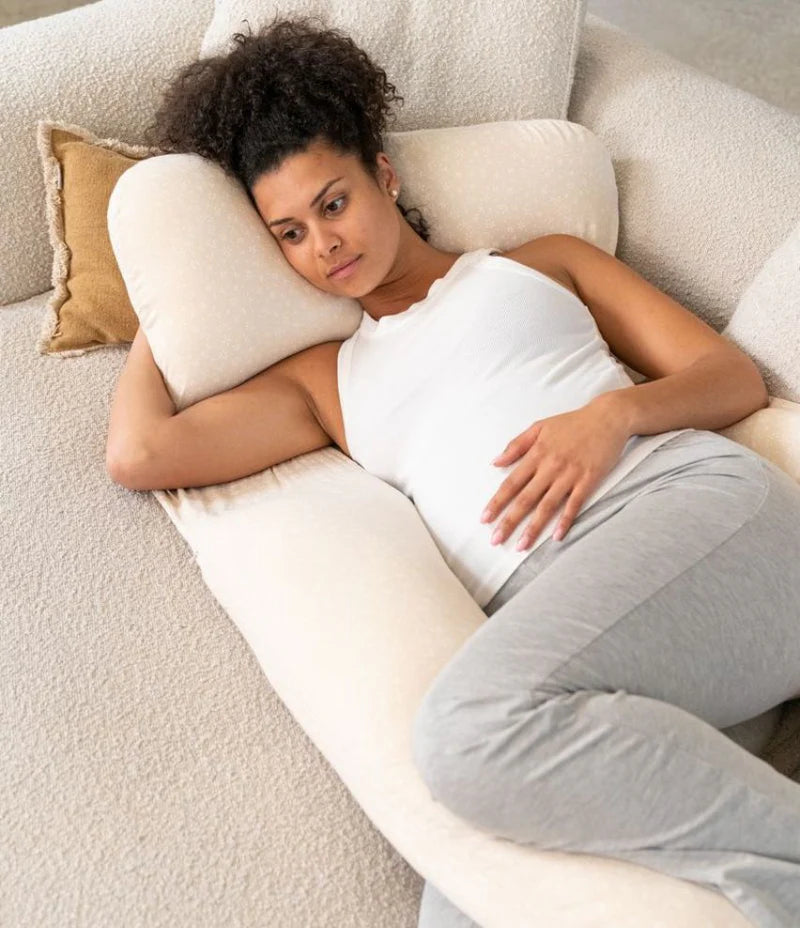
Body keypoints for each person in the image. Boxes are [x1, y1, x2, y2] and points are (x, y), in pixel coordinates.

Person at [106, 14, 800, 927]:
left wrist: (611, 416)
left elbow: (731, 376)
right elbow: (141, 453)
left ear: (384, 175)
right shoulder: (327, 382)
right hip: (593, 651)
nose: (324, 244)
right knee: (465, 893)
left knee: (463, 735)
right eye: (289, 233)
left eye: (333, 203)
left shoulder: (541, 264)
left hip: (695, 518)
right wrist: (172, 297)